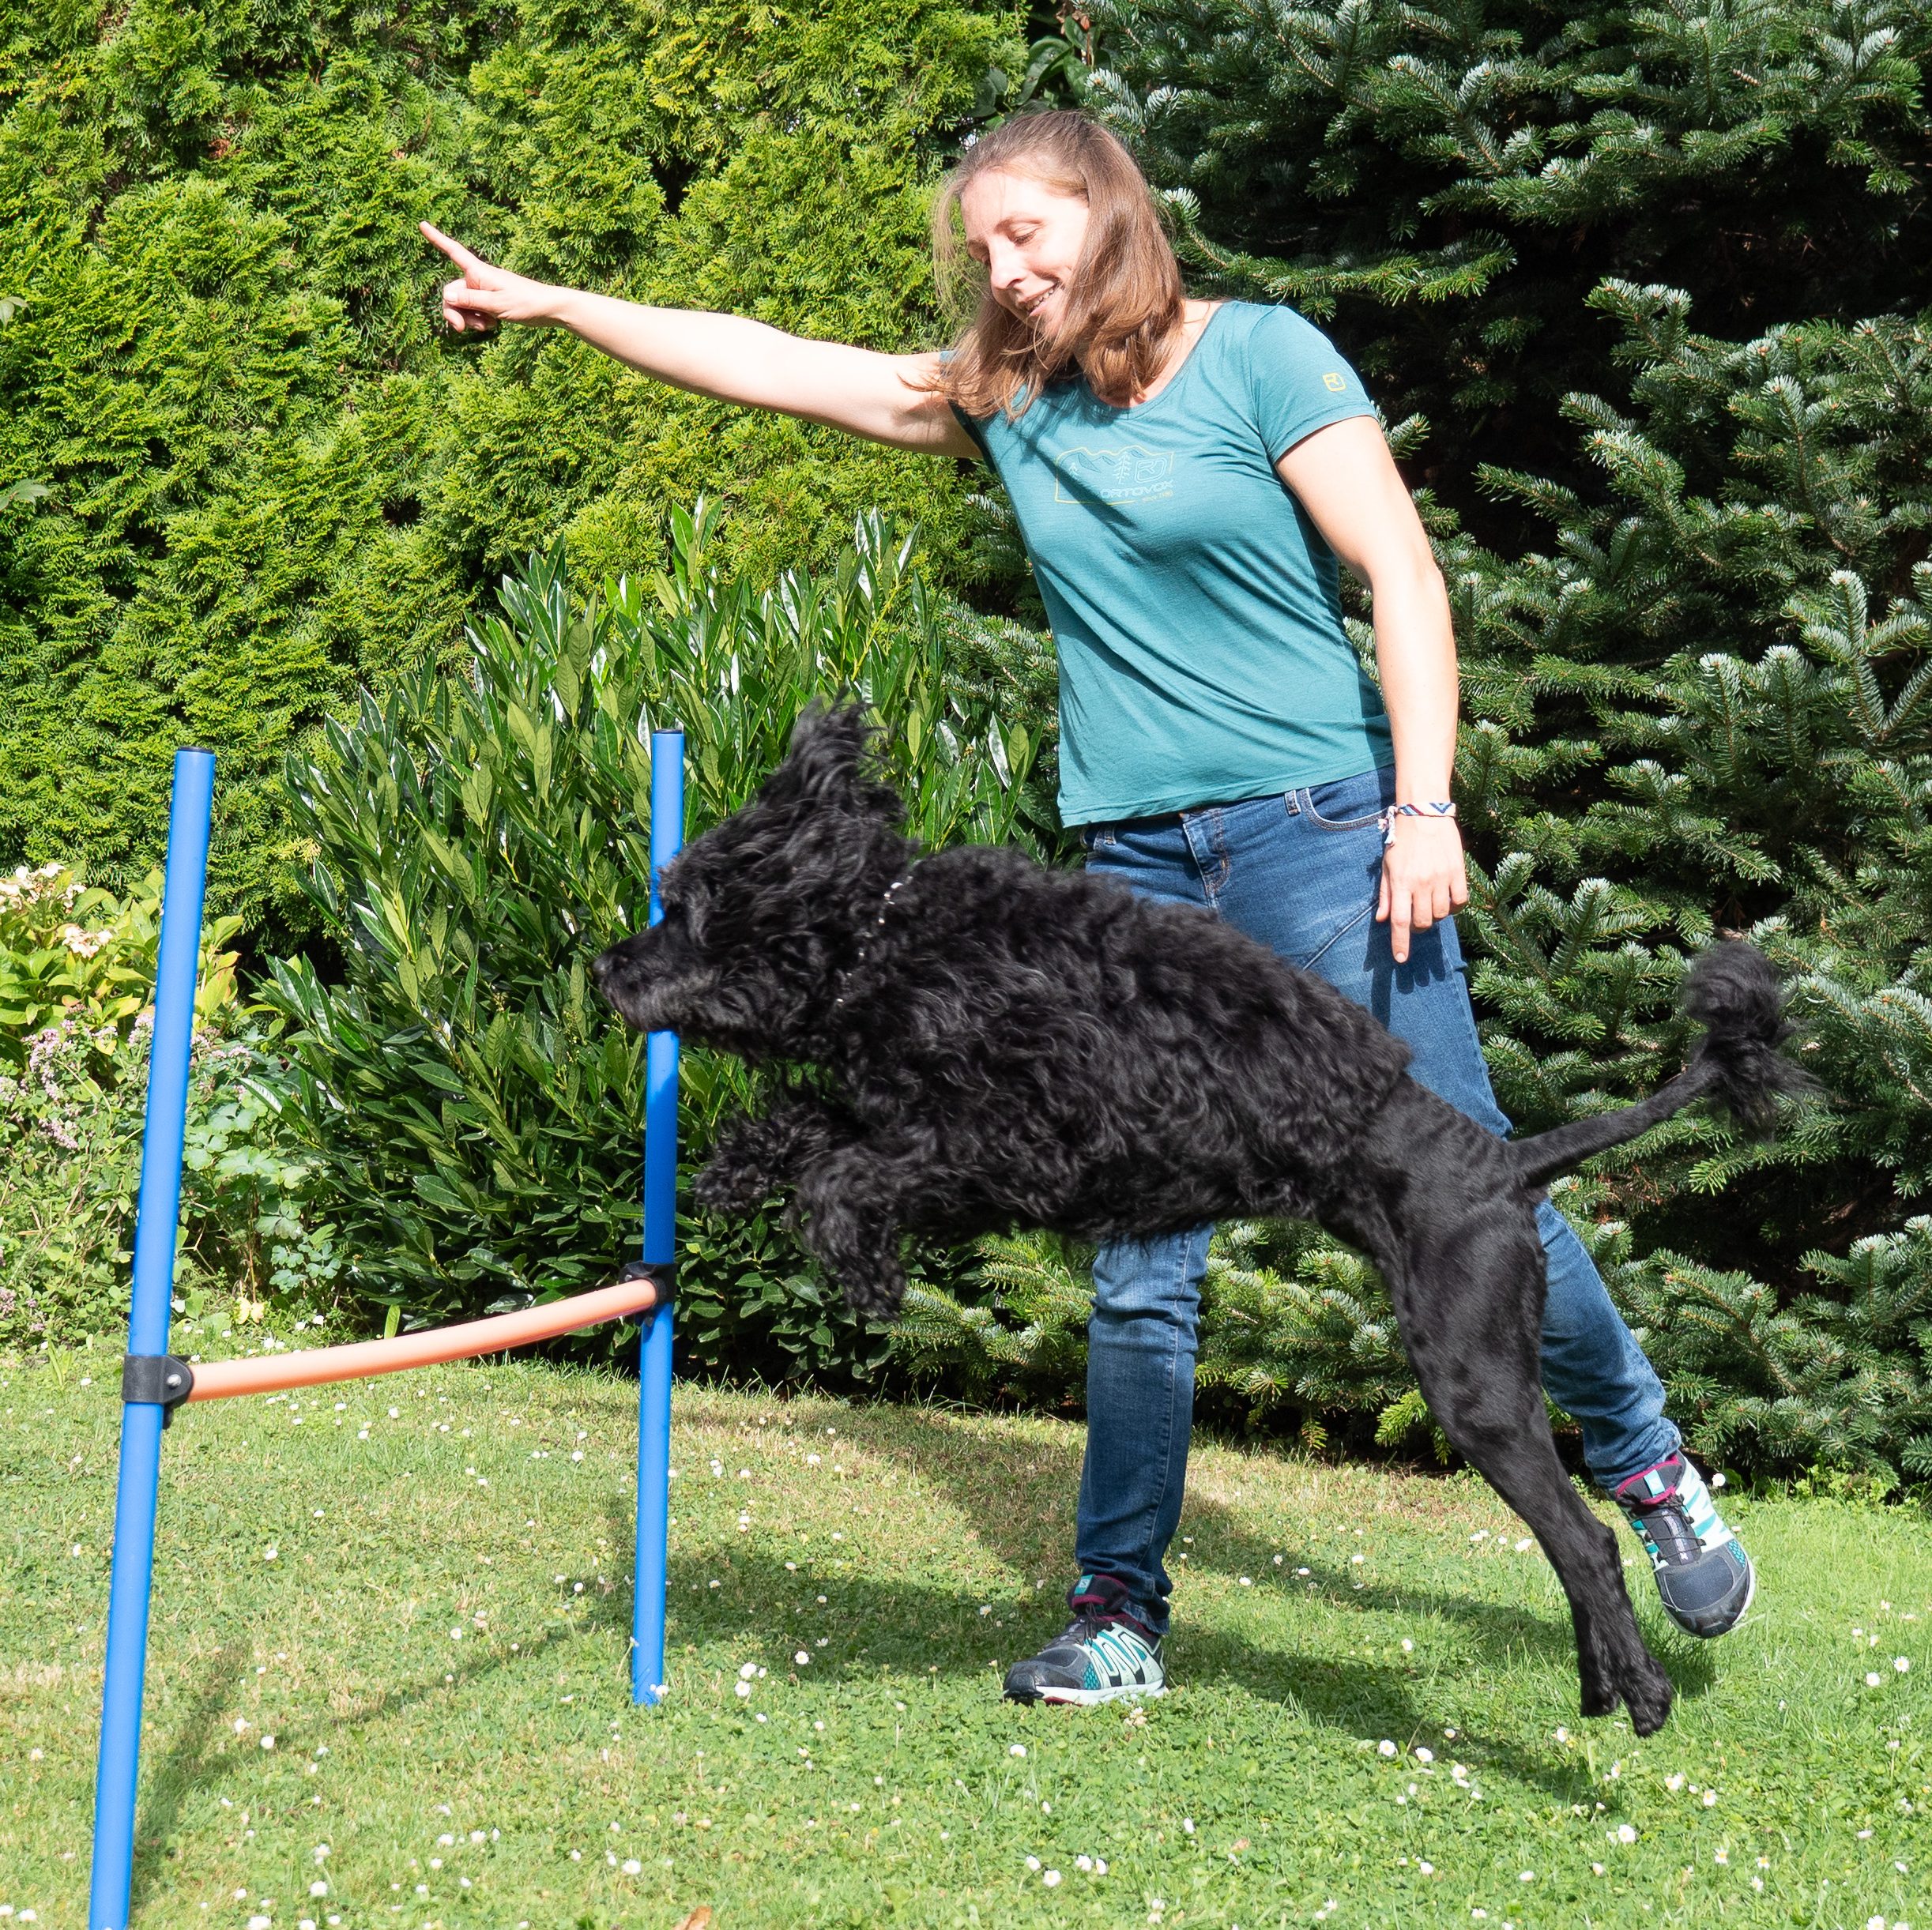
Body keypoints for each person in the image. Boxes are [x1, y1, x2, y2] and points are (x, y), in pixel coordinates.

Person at [421, 106, 1755, 1706]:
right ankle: (1119, 1606)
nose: (1001, 269)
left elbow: (1400, 571)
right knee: (1136, 1248)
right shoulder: (1000, 399)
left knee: (1463, 1170)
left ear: (1108, 218)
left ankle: (1640, 1456)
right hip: (1131, 859)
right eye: (978, 246)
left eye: (1025, 235)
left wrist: (1420, 801)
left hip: (1321, 831)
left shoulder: (1261, 359)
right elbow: (774, 359)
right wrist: (563, 306)